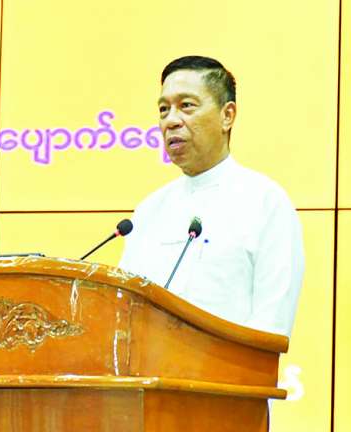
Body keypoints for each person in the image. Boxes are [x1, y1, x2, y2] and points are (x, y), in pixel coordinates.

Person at [118, 55, 304, 336]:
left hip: (230, 365)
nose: (171, 121)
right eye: (164, 109)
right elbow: (123, 312)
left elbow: (272, 325)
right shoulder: (149, 210)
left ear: (227, 116)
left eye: (186, 106)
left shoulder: (265, 202)